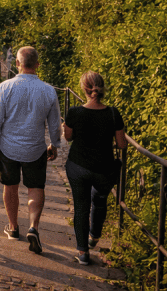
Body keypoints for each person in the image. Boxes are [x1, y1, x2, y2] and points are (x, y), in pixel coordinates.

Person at [0, 46, 61, 254]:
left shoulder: (5, 87)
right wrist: (54, 145)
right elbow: (55, 124)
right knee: (35, 188)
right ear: (38, 64)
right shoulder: (48, 90)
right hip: (35, 148)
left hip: (8, 147)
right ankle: (33, 227)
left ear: (17, 64)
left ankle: (13, 227)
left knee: (10, 186)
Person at [64, 71, 127, 266]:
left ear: (84, 89)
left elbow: (68, 137)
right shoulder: (112, 113)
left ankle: (83, 252)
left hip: (78, 166)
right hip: (104, 168)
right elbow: (122, 144)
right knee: (99, 201)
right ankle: (94, 236)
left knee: (81, 207)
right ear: (102, 89)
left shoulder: (74, 112)